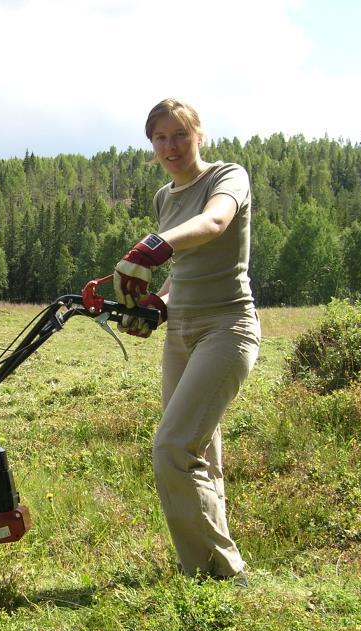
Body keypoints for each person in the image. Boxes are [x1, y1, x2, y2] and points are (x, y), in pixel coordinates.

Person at [113, 98, 260, 584]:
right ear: (150, 143)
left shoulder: (227, 177)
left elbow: (215, 223)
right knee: (199, 453)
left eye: (180, 134)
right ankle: (209, 570)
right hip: (182, 332)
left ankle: (220, 572)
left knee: (172, 448)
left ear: (199, 135)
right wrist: (157, 305)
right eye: (160, 137)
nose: (171, 146)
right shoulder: (164, 197)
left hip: (227, 326)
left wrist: (152, 246)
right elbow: (182, 271)